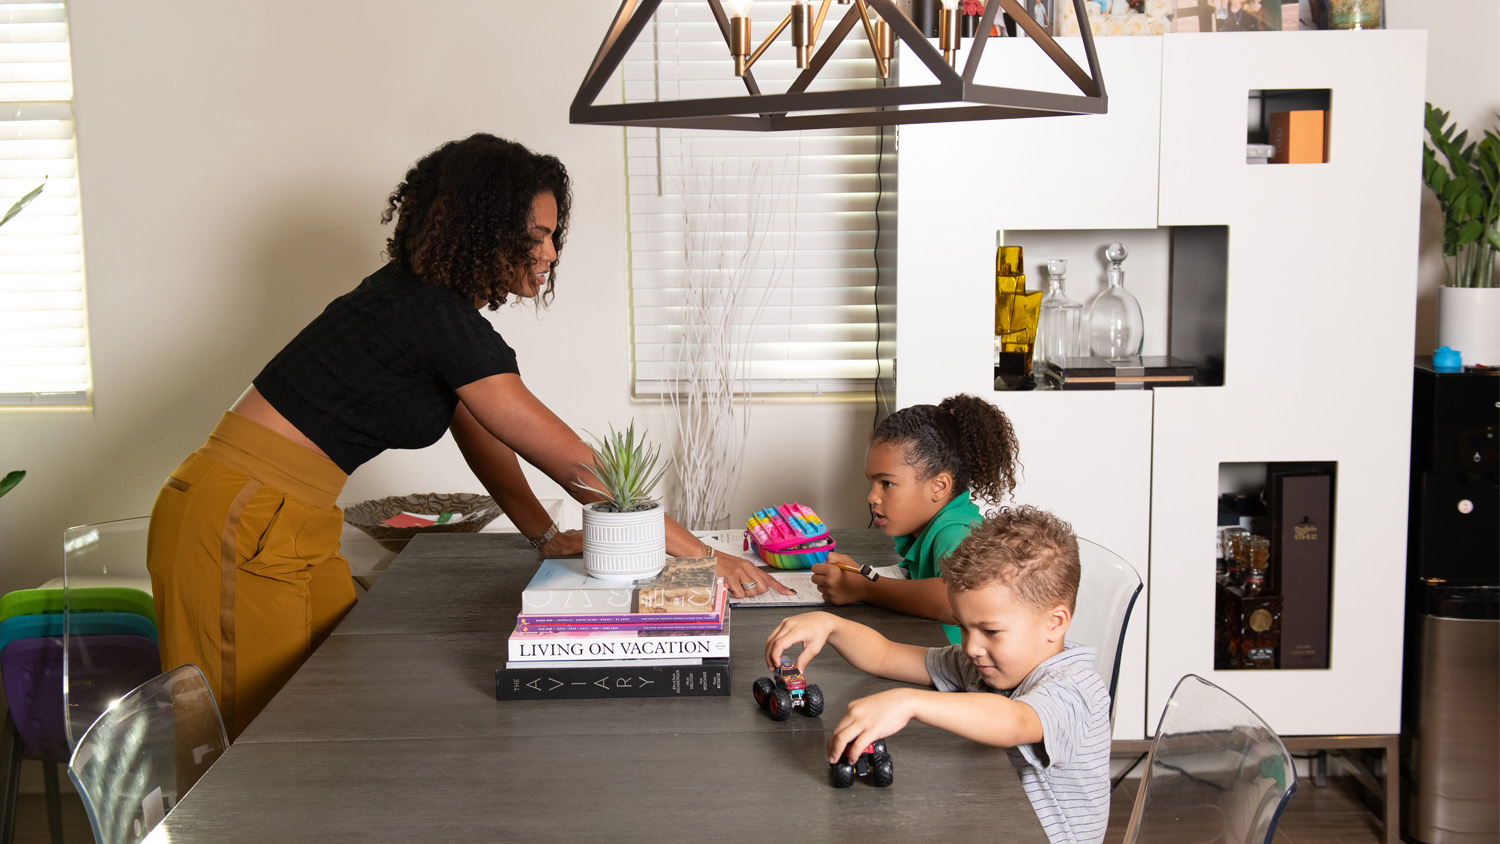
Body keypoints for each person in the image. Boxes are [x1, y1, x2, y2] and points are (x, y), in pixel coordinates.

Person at [146, 133, 787, 740]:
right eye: (536, 236)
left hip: (281, 518)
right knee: (252, 744)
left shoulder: (428, 311)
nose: (551, 253)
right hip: (240, 521)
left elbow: (480, 430)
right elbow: (576, 464)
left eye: (554, 235)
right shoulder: (431, 315)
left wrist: (541, 532)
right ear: (485, 230)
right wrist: (705, 557)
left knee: (326, 709)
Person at [766, 506, 1111, 844]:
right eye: (963, 627)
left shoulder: (1077, 689)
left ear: (1055, 623)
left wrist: (908, 702)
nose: (971, 646)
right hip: (988, 818)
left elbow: (1016, 721)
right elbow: (886, 654)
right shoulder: (982, 665)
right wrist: (831, 625)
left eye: (990, 631)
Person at [812, 393, 1019, 643]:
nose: (872, 497)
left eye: (886, 483)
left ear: (938, 486)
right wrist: (859, 576)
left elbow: (952, 598)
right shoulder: (929, 527)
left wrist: (863, 586)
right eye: (872, 483)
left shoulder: (956, 530)